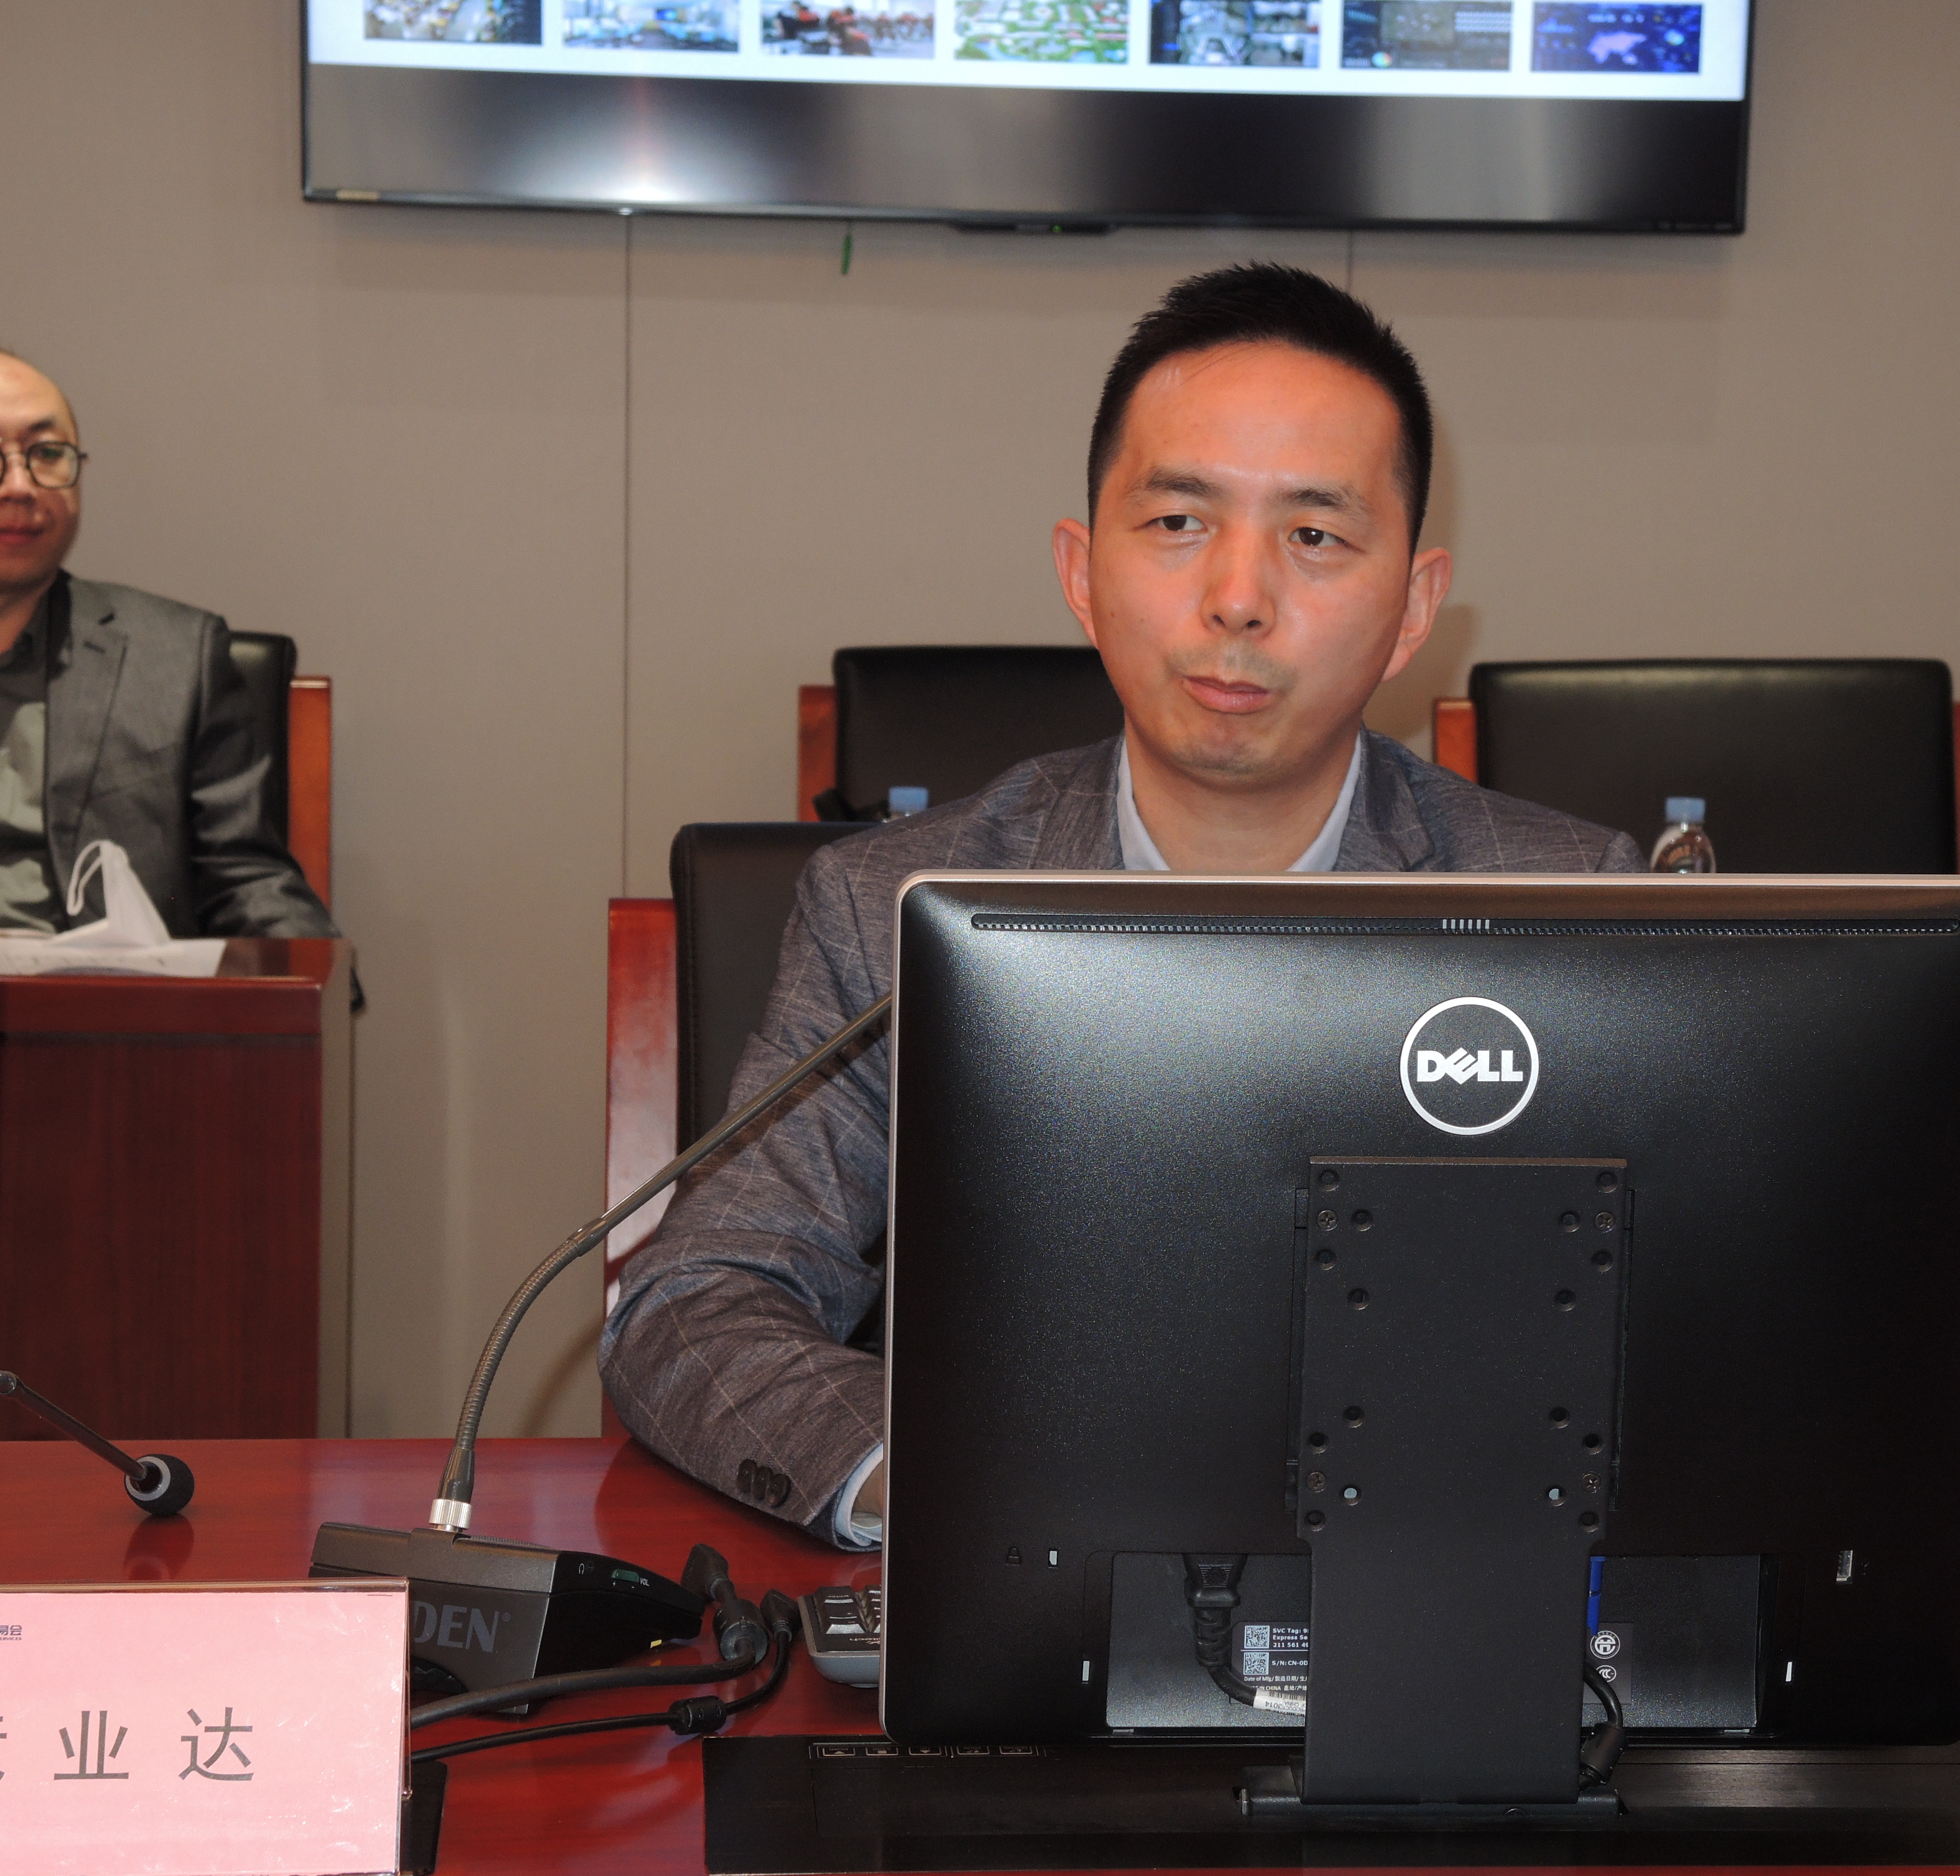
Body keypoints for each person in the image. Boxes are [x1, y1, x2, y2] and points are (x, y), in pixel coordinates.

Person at [602, 263, 1639, 1546]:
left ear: (1414, 606)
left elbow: (1679, 1336)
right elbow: (696, 1303)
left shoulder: (1574, 911)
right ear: (1082, 571)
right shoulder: (893, 909)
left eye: (1314, 536)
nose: (1238, 597)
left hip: (1424, 1586)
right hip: (1029, 1576)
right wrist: (952, 1486)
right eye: (1178, 522)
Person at [0, 344, 336, 939]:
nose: (19, 486)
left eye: (47, 454)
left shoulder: (178, 658)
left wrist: (320, 981)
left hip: (106, 994)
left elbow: (246, 880)